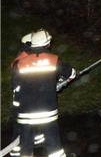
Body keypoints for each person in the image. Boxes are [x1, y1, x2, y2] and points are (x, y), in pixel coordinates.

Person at [9, 29, 76, 157]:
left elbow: (15, 86)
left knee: (26, 146)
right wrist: (59, 83)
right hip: (47, 111)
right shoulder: (54, 59)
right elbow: (71, 73)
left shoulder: (19, 63)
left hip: (25, 112)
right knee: (53, 144)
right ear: (48, 43)